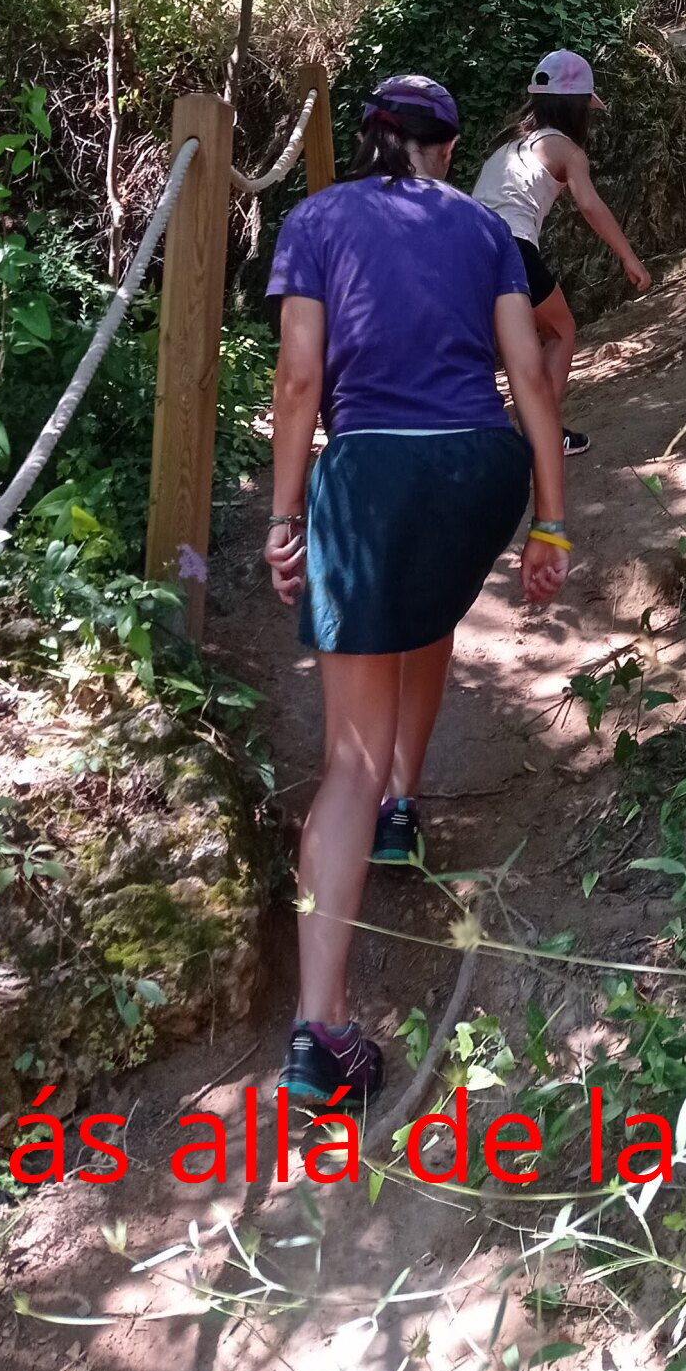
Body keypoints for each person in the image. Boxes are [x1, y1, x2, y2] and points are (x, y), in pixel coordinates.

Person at [261, 73, 570, 1108]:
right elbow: (529, 374)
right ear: (445, 148)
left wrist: (283, 512)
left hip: (371, 470)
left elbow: (301, 382)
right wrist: (550, 520)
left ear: (370, 140)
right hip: (478, 472)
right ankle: (406, 798)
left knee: (338, 759)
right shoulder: (484, 230)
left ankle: (323, 1034)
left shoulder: (315, 218)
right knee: (426, 603)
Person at [471, 49, 651, 457]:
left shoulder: (508, 147)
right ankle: (542, 433)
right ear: (578, 108)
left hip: (466, 248)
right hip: (509, 246)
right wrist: (628, 255)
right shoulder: (568, 151)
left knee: (513, 342)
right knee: (559, 330)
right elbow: (590, 205)